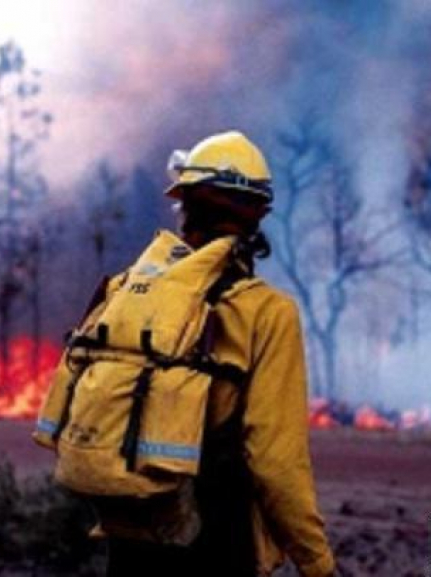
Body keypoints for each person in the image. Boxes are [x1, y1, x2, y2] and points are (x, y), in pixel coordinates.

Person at [102, 130, 335, 577]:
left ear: (184, 208)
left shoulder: (125, 291)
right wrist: (317, 563)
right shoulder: (266, 312)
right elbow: (276, 462)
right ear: (257, 216)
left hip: (129, 535)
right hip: (215, 540)